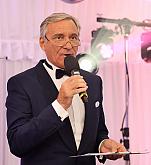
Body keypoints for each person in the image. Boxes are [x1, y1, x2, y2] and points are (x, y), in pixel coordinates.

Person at [6, 13, 126, 165]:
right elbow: (17, 143)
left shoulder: (93, 81)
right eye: (59, 37)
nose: (68, 45)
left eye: (73, 37)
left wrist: (103, 144)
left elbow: (98, 131)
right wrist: (60, 104)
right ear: (42, 43)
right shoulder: (22, 83)